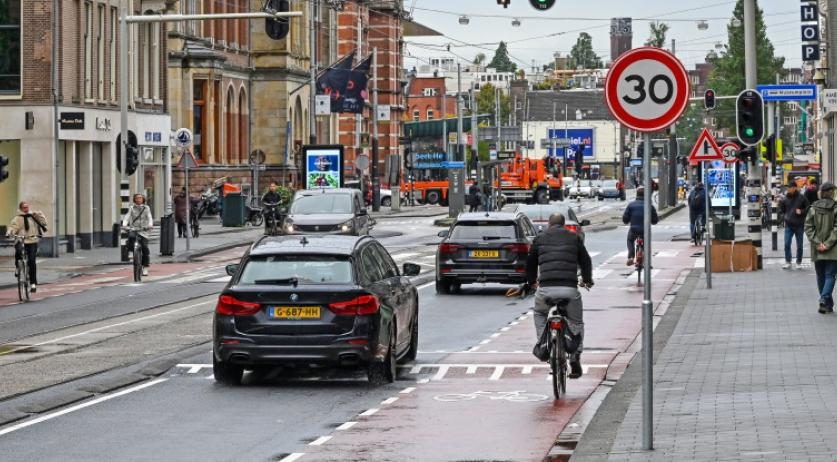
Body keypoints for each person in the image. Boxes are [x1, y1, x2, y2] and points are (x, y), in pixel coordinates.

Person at [525, 213, 594, 379]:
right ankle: (576, 355)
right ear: (563, 224)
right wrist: (587, 280)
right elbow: (585, 261)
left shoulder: (539, 238)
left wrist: (531, 282)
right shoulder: (574, 238)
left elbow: (531, 262)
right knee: (577, 321)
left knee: (540, 313)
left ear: (549, 224)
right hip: (569, 289)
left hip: (545, 289)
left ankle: (543, 344)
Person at [805, 182, 837, 314]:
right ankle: (824, 299)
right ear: (831, 193)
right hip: (833, 248)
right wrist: (828, 244)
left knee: (820, 275)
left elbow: (808, 227)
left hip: (817, 248)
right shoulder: (835, 208)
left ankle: (826, 304)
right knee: (830, 275)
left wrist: (818, 243)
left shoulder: (813, 208)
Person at [6, 202, 48, 292]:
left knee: (32, 261)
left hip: (32, 241)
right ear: (21, 209)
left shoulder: (33, 216)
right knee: (18, 251)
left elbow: (44, 223)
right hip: (21, 240)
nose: (26, 209)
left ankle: (33, 283)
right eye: (24, 207)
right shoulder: (17, 218)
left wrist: (39, 214)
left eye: (27, 207)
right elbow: (13, 227)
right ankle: (18, 267)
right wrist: (10, 232)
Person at [623, 187, 659, 266]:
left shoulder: (631, 205)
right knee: (647, 243)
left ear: (637, 195)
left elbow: (625, 219)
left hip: (634, 229)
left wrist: (627, 221)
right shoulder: (650, 206)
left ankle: (631, 257)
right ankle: (647, 262)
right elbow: (655, 220)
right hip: (645, 230)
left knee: (630, 240)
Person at [779, 182, 810, 270]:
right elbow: (782, 210)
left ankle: (798, 262)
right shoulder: (785, 198)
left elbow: (809, 208)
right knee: (786, 244)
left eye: (790, 187)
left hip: (799, 225)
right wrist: (784, 217)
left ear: (795, 188)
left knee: (799, 245)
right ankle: (788, 261)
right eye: (788, 187)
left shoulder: (802, 198)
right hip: (789, 225)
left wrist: (802, 211)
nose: (788, 189)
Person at [121, 193, 153, 276]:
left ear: (143, 199)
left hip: (144, 230)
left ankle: (145, 267)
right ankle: (133, 251)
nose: (139, 199)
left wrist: (150, 224)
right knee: (131, 237)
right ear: (134, 199)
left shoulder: (147, 208)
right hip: (134, 229)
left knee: (145, 248)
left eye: (140, 198)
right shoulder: (131, 208)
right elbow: (127, 217)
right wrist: (124, 224)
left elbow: (149, 217)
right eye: (137, 198)